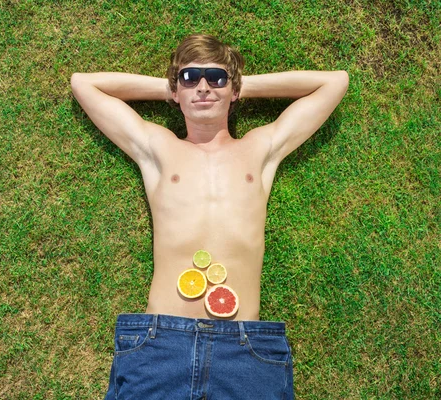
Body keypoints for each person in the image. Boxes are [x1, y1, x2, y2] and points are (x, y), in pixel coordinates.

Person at [71, 34, 348, 399]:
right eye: (190, 79)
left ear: (234, 91)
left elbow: (335, 82)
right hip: (161, 340)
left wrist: (235, 85)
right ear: (176, 92)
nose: (203, 88)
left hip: (245, 347)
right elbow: (83, 84)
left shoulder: (259, 149)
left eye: (215, 78)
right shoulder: (158, 148)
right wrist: (175, 88)